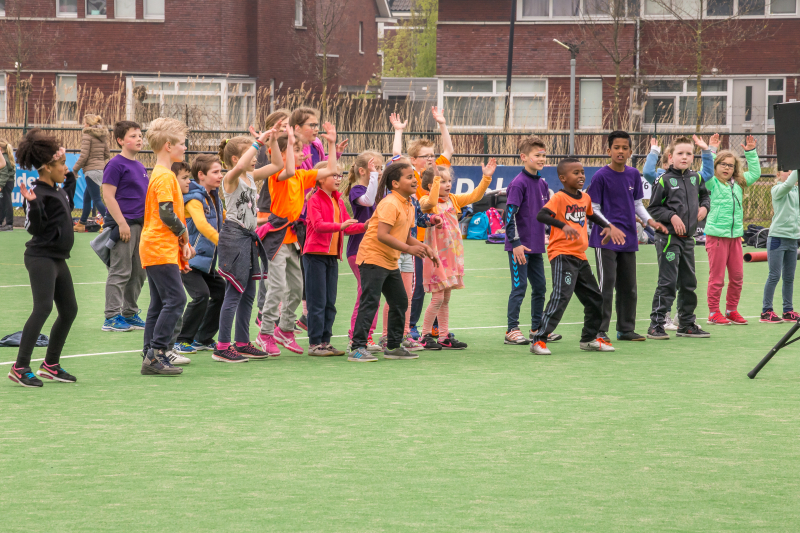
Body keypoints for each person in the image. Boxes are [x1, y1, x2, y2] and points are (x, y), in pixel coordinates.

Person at [256, 125, 338, 356]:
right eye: (297, 150)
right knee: (278, 286)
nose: (304, 154)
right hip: (277, 237)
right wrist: (289, 140)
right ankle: (265, 333)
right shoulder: (278, 175)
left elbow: (331, 168)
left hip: (293, 238)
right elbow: (288, 169)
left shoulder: (302, 176)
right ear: (281, 154)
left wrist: (331, 143)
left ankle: (285, 329)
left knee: (297, 287)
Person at [530, 158, 626, 355]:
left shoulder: (585, 198)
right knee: (561, 296)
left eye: (582, 172)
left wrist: (607, 226)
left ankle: (589, 339)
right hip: (562, 254)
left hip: (580, 256)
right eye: (576, 173)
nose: (581, 175)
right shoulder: (558, 198)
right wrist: (562, 225)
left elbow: (590, 215)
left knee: (595, 298)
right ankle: (539, 339)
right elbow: (542, 215)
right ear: (563, 178)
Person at [348, 162, 439, 362]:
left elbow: (405, 235)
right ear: (395, 184)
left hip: (389, 260)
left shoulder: (408, 204)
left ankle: (393, 346)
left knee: (399, 301)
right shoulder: (390, 203)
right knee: (370, 302)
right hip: (372, 257)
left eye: (413, 176)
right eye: (409, 177)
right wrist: (409, 250)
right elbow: (382, 235)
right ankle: (357, 347)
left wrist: (425, 248)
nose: (414, 180)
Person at [8, 130, 78, 387]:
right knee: (43, 308)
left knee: (69, 310)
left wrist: (68, 173)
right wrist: (33, 205)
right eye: (61, 165)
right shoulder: (37, 194)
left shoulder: (57, 188)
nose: (65, 168)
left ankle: (50, 364)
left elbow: (68, 192)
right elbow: (34, 228)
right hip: (41, 257)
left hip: (58, 258)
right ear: (47, 168)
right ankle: (20, 367)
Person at [586, 131, 667, 343]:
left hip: (629, 239)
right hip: (605, 240)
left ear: (630, 152)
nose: (620, 151)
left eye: (624, 148)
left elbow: (638, 204)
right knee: (606, 284)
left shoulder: (633, 175)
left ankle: (625, 329)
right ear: (608, 151)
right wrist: (609, 226)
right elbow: (593, 208)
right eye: (616, 148)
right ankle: (599, 330)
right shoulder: (600, 177)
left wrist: (650, 221)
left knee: (629, 286)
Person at [215, 127, 283, 363]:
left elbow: (276, 166)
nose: (256, 158)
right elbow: (240, 166)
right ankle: (222, 346)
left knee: (249, 293)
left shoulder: (251, 177)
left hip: (248, 237)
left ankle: (242, 342)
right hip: (235, 237)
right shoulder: (231, 178)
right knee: (234, 293)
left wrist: (272, 142)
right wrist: (257, 142)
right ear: (236, 158)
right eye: (251, 155)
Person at [418, 160, 497, 350]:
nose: (448, 185)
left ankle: (444, 336)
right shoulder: (426, 202)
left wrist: (486, 177)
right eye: (442, 181)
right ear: (432, 185)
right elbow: (429, 202)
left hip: (452, 256)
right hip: (436, 257)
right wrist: (436, 179)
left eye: (448, 181)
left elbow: (475, 195)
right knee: (436, 298)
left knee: (445, 299)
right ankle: (425, 335)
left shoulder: (453, 199)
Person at [138, 118, 196, 376]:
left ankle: (150, 351)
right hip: (159, 246)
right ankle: (157, 353)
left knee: (159, 302)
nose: (185, 148)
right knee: (176, 298)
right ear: (168, 145)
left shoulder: (161, 174)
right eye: (182, 144)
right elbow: (166, 213)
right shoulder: (164, 177)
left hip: (156, 246)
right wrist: (184, 237)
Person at [390, 109, 454, 340]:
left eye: (431, 155)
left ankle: (436, 326)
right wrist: (399, 131)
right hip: (418, 237)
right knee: (418, 285)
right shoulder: (412, 177)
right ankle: (413, 325)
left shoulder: (435, 172)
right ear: (414, 160)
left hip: (438, 237)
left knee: (438, 283)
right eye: (425, 156)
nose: (430, 159)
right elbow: (397, 155)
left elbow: (448, 150)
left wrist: (442, 125)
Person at [646, 136, 711, 340]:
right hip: (668, 239)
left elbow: (705, 196)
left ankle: (686, 323)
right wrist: (671, 216)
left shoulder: (696, 178)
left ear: (693, 157)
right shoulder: (663, 179)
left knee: (688, 282)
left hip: (688, 239)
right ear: (670, 157)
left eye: (689, 153)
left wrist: (704, 207)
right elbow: (654, 208)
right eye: (680, 153)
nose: (684, 157)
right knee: (668, 281)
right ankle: (656, 324)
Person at [303, 164, 367, 356]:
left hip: (331, 257)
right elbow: (318, 225)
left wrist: (366, 226)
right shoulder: (314, 200)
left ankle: (325, 342)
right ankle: (315, 344)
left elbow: (347, 228)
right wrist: (340, 225)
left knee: (330, 302)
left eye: (340, 175)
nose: (339, 179)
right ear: (321, 178)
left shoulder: (338, 201)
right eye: (334, 176)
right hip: (314, 256)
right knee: (317, 301)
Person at [699, 135, 761, 325]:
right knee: (717, 279)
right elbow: (706, 171)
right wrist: (711, 150)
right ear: (716, 165)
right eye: (723, 164)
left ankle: (731, 310)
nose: (727, 168)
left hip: (736, 238)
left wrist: (750, 152)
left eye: (731, 165)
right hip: (716, 237)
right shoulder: (711, 183)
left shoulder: (738, 184)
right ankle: (713, 313)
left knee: (737, 277)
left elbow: (756, 174)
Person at [171, 155, 228, 357]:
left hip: (207, 263)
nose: (220, 175)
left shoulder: (215, 198)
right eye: (215, 172)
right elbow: (202, 225)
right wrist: (224, 241)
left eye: (221, 171)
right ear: (201, 175)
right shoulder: (195, 199)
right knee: (201, 295)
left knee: (221, 292)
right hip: (190, 260)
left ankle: (203, 338)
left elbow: (225, 221)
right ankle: (182, 340)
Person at [503, 135, 557, 346]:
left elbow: (544, 215)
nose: (542, 159)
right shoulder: (518, 184)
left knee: (541, 287)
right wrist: (515, 243)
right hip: (520, 247)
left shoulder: (543, 184)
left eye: (543, 155)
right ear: (524, 157)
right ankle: (511, 330)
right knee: (519, 287)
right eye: (537, 155)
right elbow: (509, 216)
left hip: (536, 247)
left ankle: (537, 328)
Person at [101, 121, 148, 333]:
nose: (139, 139)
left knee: (139, 272)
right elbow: (108, 196)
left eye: (140, 135)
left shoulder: (139, 166)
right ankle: (111, 317)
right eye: (133, 136)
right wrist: (121, 223)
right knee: (120, 271)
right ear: (120, 140)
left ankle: (130, 313)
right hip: (124, 226)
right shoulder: (115, 164)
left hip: (140, 226)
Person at [342, 151, 384, 352]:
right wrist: (374, 176)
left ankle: (367, 335)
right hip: (357, 251)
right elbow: (367, 200)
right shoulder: (356, 190)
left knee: (372, 295)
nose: (379, 172)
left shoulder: (373, 190)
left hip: (372, 250)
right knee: (365, 294)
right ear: (363, 170)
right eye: (376, 169)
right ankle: (355, 337)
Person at [255, 109, 291, 327]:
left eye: (289, 124)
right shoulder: (270, 149)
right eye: (283, 124)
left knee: (284, 269)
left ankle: (280, 315)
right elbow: (269, 168)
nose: (287, 128)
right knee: (269, 266)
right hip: (269, 210)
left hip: (285, 214)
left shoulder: (291, 148)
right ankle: (263, 312)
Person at [761, 170, 800, 323]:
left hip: (793, 239)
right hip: (777, 238)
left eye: (792, 170)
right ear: (778, 174)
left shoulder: (797, 191)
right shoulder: (777, 189)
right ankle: (766, 311)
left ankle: (788, 310)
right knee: (774, 275)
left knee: (789, 277)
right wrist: (797, 167)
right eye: (786, 171)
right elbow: (789, 183)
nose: (790, 173)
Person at [73, 114, 110, 232]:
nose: (83, 125)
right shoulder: (102, 136)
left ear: (88, 124)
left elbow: (84, 156)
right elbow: (107, 155)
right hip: (100, 169)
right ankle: (82, 223)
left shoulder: (87, 135)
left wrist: (75, 169)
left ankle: (109, 222)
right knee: (87, 197)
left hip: (91, 170)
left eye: (84, 123)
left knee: (96, 199)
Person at [0, 139, 15, 231]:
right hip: (7, 182)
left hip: (6, 182)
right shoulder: (7, 156)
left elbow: (4, 173)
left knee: (7, 202)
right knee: (2, 203)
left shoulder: (3, 158)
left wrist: (1, 185)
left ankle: (9, 224)